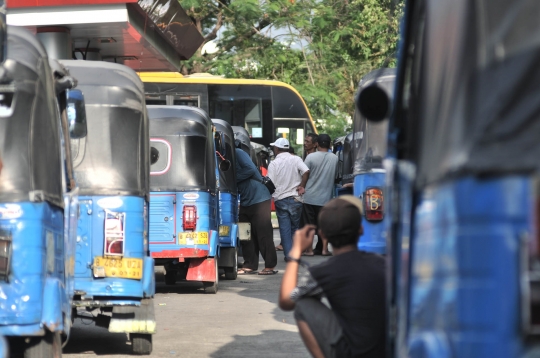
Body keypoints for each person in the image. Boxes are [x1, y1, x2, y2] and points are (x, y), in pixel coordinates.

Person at [279, 196, 386, 358]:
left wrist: (295, 252)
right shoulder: (383, 264)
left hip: (348, 352)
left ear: (323, 235)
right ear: (361, 229)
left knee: (303, 305)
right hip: (387, 350)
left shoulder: (322, 273)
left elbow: (287, 300)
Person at [235, 146, 278, 275]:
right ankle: (250, 264)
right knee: (245, 233)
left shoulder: (238, 152)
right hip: (245, 200)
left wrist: (232, 177)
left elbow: (250, 169)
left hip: (259, 198)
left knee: (263, 233)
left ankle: (270, 266)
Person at [267, 138, 310, 260]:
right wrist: (302, 185)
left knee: (284, 229)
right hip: (296, 199)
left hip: (280, 199)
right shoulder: (296, 159)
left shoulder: (274, 163)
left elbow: (270, 182)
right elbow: (306, 171)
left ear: (276, 149)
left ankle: (289, 256)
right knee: (295, 228)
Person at [301, 134, 338, 256]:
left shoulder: (310, 157)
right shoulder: (335, 158)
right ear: (330, 144)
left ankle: (310, 250)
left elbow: (304, 173)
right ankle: (324, 249)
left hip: (310, 197)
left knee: (309, 225)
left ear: (316, 144)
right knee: (324, 225)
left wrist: (302, 186)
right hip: (326, 198)